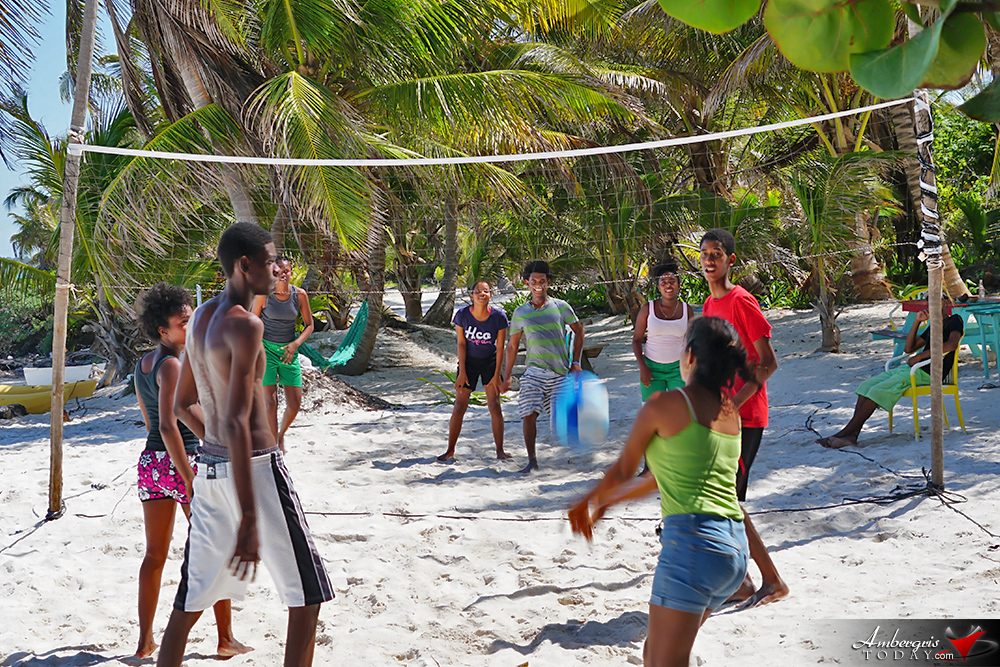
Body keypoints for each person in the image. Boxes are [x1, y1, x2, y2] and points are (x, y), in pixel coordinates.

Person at [157, 223, 333, 667]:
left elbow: (183, 404)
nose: (278, 269)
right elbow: (237, 420)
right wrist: (251, 518)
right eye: (271, 260)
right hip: (255, 469)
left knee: (189, 601)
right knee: (306, 595)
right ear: (244, 265)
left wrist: (214, 447)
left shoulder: (198, 319)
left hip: (211, 469)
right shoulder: (246, 325)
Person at [569, 317, 752, 667]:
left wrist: (585, 500)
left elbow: (623, 469)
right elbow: (661, 479)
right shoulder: (730, 412)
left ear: (690, 357)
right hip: (733, 553)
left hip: (693, 547)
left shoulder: (664, 405)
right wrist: (606, 501)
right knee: (654, 655)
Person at [133, 283, 250, 659]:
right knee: (214, 549)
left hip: (151, 463)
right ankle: (226, 639)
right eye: (184, 322)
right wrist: (188, 476)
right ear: (162, 331)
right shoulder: (172, 364)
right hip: (180, 461)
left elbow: (148, 418)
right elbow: (169, 424)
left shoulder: (143, 364)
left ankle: (145, 641)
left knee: (154, 555)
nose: (192, 326)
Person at [700, 228, 788, 607]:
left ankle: (769, 580)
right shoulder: (708, 305)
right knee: (721, 500)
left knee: (727, 502)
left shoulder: (742, 302)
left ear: (730, 260)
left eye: (716, 253)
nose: (708, 259)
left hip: (746, 415)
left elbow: (768, 363)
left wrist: (733, 403)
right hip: (721, 414)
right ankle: (745, 582)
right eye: (704, 254)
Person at [816, 297, 962, 449]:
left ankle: (843, 433)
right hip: (911, 369)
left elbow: (951, 345)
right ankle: (852, 436)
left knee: (876, 391)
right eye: (930, 303)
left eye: (937, 301)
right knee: (866, 386)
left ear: (945, 302)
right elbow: (908, 349)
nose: (933, 306)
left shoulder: (954, 320)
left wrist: (920, 356)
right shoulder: (934, 325)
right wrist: (917, 322)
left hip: (929, 373)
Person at [500, 260, 585, 473]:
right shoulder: (520, 312)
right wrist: (507, 376)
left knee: (560, 425)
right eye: (534, 281)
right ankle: (532, 460)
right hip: (534, 373)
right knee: (528, 413)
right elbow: (512, 346)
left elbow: (579, 331)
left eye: (542, 281)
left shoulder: (561, 306)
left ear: (548, 283)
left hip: (560, 372)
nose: (538, 284)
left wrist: (576, 362)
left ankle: (577, 455)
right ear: (527, 283)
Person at [437, 280, 511, 462]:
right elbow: (461, 344)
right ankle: (450, 449)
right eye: (478, 291)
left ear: (490, 295)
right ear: (472, 296)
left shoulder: (499, 317)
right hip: (468, 363)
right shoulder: (462, 315)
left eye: (486, 291)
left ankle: (500, 451)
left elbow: (500, 348)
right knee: (460, 406)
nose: (482, 294)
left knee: (494, 405)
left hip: (490, 362)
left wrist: (496, 375)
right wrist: (462, 372)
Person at [251, 255, 314, 452]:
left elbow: (309, 325)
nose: (281, 275)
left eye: (285, 271)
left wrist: (295, 344)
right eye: (276, 273)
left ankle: (281, 434)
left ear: (291, 272)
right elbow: (252, 324)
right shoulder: (263, 295)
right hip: (266, 351)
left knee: (295, 404)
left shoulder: (300, 295)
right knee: (270, 403)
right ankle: (273, 445)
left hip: (289, 351)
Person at [633, 260, 694, 401]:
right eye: (663, 282)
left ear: (679, 284)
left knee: (680, 410)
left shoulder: (687, 310)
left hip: (679, 369)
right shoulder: (648, 309)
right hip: (651, 368)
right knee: (652, 413)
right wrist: (643, 367)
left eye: (672, 281)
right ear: (659, 287)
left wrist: (691, 367)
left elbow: (692, 341)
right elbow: (636, 340)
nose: (668, 285)